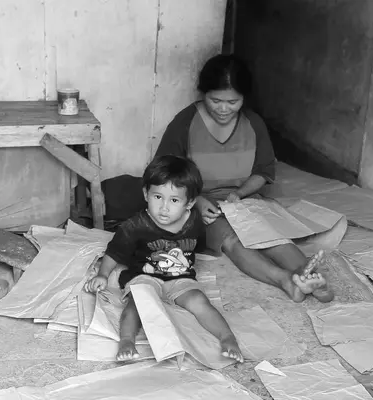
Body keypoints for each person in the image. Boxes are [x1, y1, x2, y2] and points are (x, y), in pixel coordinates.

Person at [154, 54, 334, 303]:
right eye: (215, 100)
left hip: (242, 198)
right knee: (233, 240)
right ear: (202, 93)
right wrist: (195, 200)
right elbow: (164, 171)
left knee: (269, 235)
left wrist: (240, 194)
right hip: (199, 202)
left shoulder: (253, 123)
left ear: (244, 98)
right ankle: (283, 280)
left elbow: (264, 171)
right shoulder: (185, 122)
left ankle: (309, 275)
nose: (223, 109)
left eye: (233, 101)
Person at [84, 155, 243, 363]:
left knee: (200, 301)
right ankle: (126, 340)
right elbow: (114, 251)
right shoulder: (135, 225)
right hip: (144, 276)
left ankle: (227, 337)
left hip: (181, 278)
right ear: (146, 194)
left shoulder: (195, 222)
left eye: (174, 200)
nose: (164, 207)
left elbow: (200, 245)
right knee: (136, 304)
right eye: (158, 197)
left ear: (190, 203)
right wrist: (103, 274)